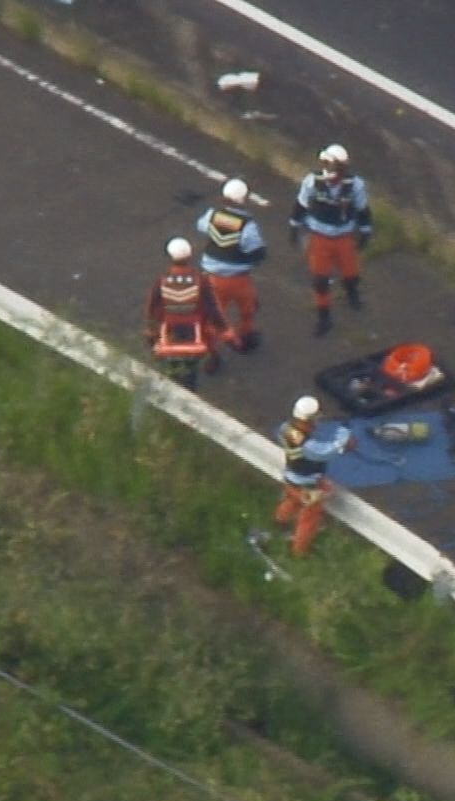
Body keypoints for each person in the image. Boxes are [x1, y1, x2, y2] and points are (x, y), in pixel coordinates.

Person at [290, 144, 373, 338]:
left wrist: (365, 232)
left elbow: (363, 210)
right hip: (320, 237)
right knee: (320, 280)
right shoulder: (312, 182)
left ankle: (352, 293)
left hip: (344, 236)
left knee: (351, 275)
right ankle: (324, 316)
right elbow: (301, 205)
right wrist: (294, 226)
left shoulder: (355, 185)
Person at [272, 396, 353, 557]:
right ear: (309, 419)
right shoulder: (309, 446)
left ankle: (279, 522)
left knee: (291, 500)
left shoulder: (285, 428)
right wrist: (344, 432)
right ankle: (299, 553)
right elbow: (327, 451)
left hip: (291, 478)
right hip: (308, 486)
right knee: (309, 519)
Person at [143, 237, 225, 390]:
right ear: (189, 256)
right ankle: (212, 361)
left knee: (169, 358)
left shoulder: (162, 281)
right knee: (206, 344)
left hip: (170, 327)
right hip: (195, 327)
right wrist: (223, 327)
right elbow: (212, 306)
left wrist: (150, 328)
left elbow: (152, 305)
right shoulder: (201, 280)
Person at [196, 177, 266, 353]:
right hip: (238, 279)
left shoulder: (212, 215)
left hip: (212, 278)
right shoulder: (247, 226)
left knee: (215, 315)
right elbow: (257, 251)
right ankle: (244, 338)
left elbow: (201, 226)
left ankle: (211, 351)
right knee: (248, 308)